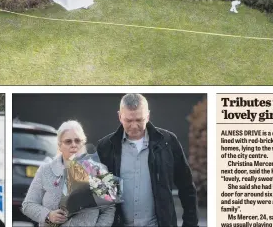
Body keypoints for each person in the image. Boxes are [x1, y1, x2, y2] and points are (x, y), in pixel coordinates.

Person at [96, 94, 198, 227]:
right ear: (120, 116)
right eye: (128, 120)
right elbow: (98, 198)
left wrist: (191, 224)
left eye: (139, 120)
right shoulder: (105, 147)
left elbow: (187, 187)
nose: (134, 126)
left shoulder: (167, 142)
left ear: (148, 116)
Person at [22, 120, 115, 227]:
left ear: (83, 143)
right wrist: (48, 215)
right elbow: (28, 205)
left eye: (77, 140)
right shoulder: (45, 170)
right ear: (59, 145)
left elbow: (109, 209)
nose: (73, 145)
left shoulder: (98, 171)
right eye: (68, 141)